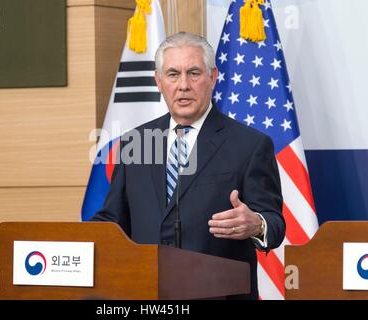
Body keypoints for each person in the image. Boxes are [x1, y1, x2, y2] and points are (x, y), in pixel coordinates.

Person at [90, 32, 285, 299]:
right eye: (172, 74)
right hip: (146, 293)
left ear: (213, 77)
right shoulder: (136, 142)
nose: (183, 85)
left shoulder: (250, 145)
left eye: (194, 73)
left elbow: (274, 224)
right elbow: (113, 220)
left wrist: (257, 224)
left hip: (218, 294)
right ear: (158, 81)